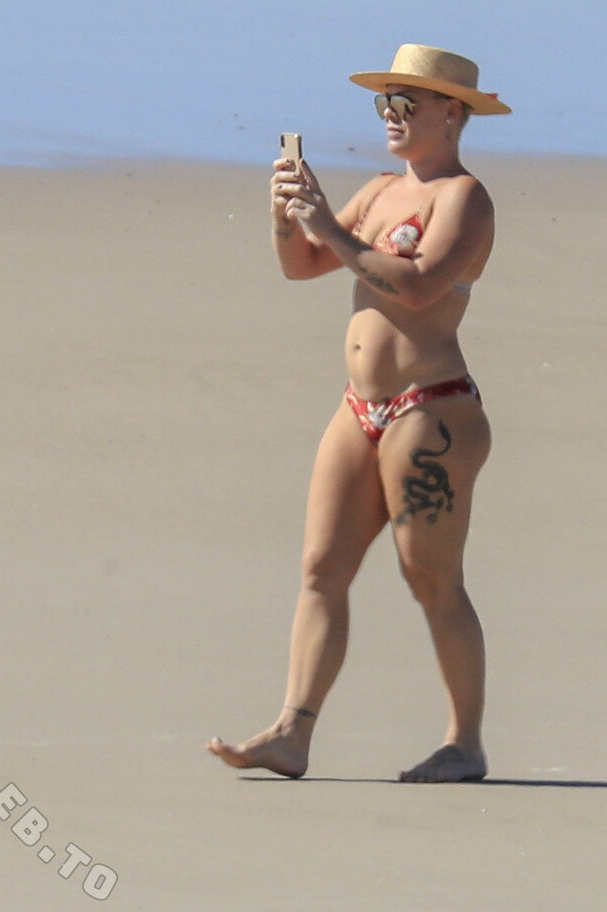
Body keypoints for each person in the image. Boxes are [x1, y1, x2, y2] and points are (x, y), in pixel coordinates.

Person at [207, 43, 511, 782]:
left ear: (451, 112)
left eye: (406, 104)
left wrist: (331, 228)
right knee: (319, 570)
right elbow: (301, 265)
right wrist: (287, 216)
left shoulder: (463, 199)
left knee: (430, 579)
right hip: (361, 407)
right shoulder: (377, 192)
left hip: (431, 411)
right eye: (384, 103)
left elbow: (420, 285)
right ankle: (291, 733)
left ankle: (465, 743)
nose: (390, 116)